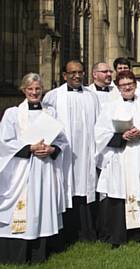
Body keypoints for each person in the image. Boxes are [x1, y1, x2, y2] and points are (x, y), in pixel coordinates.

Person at [94, 71, 140, 246]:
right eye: (123, 85)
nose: (127, 87)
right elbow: (100, 134)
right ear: (118, 88)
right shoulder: (110, 108)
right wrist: (122, 136)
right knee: (120, 193)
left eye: (130, 84)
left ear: (135, 85)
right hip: (121, 156)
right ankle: (119, 235)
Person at [0, 73, 68, 264]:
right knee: (24, 208)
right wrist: (29, 148)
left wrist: (52, 148)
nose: (34, 92)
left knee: (42, 205)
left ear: (42, 90)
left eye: (37, 89)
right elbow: (4, 142)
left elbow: (63, 140)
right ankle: (18, 253)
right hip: (22, 170)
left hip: (45, 168)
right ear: (23, 90)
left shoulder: (51, 113)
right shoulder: (12, 114)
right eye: (30, 89)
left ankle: (40, 252)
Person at [42, 60, 100, 243]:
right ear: (64, 75)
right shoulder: (53, 96)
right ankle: (66, 233)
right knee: (66, 187)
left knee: (85, 189)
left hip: (87, 152)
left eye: (80, 72)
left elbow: (98, 125)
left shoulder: (92, 96)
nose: (77, 75)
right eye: (72, 72)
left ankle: (87, 231)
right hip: (64, 154)